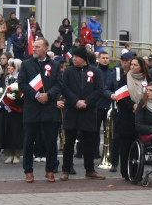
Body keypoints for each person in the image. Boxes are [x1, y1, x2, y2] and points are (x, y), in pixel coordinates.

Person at [18, 37, 62, 182]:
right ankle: (28, 171)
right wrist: (36, 95)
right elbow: (22, 83)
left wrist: (48, 95)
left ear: (45, 48)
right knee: (28, 142)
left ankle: (50, 170)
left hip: (49, 108)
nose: (35, 49)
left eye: (38, 47)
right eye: (34, 46)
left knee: (51, 142)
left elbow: (59, 84)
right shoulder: (26, 64)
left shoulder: (54, 65)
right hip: (32, 108)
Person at [60, 46, 105, 180]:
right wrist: (76, 101)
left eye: (76, 57)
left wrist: (86, 102)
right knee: (69, 142)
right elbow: (65, 88)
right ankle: (66, 169)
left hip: (88, 111)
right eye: (73, 56)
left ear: (84, 58)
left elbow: (99, 90)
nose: (74, 59)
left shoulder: (95, 71)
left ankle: (90, 169)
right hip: (72, 111)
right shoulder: (68, 71)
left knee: (89, 142)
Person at [0, 58, 24, 165]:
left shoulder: (21, 78)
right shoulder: (6, 78)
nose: (8, 67)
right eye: (8, 65)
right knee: (7, 131)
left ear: (17, 67)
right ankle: (9, 153)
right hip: (7, 109)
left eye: (11, 66)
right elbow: (1, 91)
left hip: (18, 108)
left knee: (17, 132)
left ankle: (17, 154)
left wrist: (16, 101)